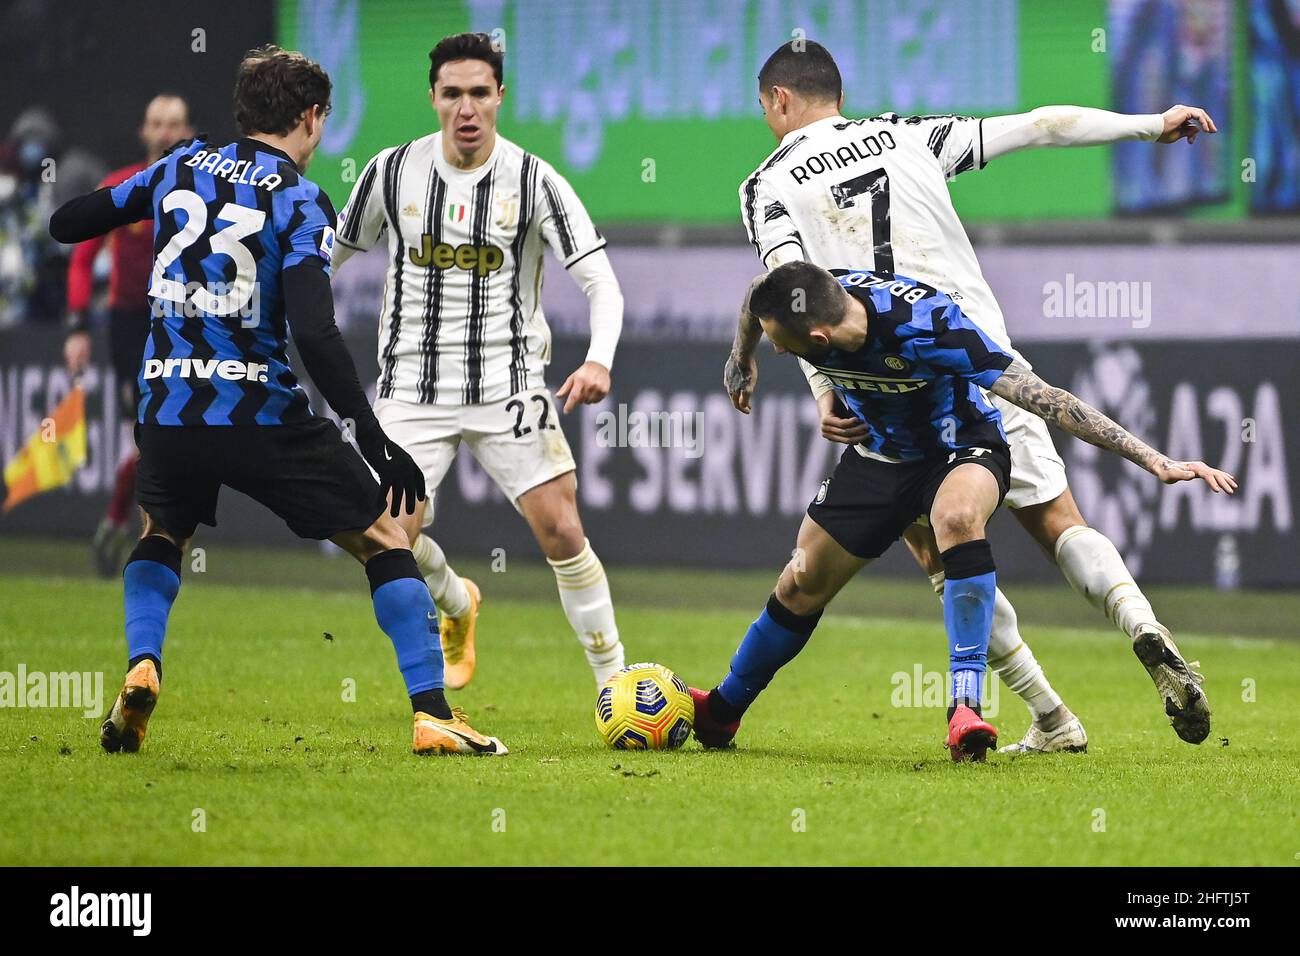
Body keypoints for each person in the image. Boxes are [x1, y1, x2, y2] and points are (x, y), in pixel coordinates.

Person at [725, 40, 1221, 750]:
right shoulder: (908, 133)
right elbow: (1044, 124)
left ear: (778, 101)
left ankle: (1049, 713)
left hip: (883, 380)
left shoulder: (766, 183)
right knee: (1057, 521)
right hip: (977, 350)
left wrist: (823, 389)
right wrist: (1151, 123)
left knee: (940, 549)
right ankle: (1139, 625)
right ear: (837, 93)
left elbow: (788, 291)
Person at [48, 45, 505, 757]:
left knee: (161, 534)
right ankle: (432, 713)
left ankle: (144, 663)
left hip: (169, 409)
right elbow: (315, 333)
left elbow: (69, 223)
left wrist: (139, 197)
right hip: (259, 412)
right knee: (386, 539)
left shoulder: (179, 165)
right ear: (312, 118)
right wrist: (372, 437)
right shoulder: (296, 198)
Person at [694, 264, 1235, 760]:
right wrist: (741, 355)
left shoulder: (928, 325)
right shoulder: (809, 293)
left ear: (819, 338)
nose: (779, 354)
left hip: (961, 448)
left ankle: (965, 708)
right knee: (799, 583)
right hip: (878, 456)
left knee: (954, 520)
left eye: (781, 346)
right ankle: (721, 712)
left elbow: (1047, 400)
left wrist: (1154, 460)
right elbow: (753, 296)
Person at [334, 32, 626, 688]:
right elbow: (327, 255)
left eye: (479, 94)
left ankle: (615, 685)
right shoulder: (390, 171)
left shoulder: (534, 179)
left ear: (500, 97)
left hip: (511, 385)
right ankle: (457, 603)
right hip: (412, 387)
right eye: (452, 94)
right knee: (383, 542)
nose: (466, 109)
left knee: (560, 529)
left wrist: (598, 359)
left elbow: (601, 281)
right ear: (434, 99)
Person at [63, 94, 194, 576]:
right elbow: (81, 255)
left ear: (188, 130)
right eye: (157, 124)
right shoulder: (121, 187)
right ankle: (135, 531)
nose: (165, 133)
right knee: (145, 439)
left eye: (174, 124)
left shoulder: (208, 190)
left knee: (175, 435)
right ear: (144, 131)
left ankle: (139, 528)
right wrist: (78, 326)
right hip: (131, 325)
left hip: (186, 320)